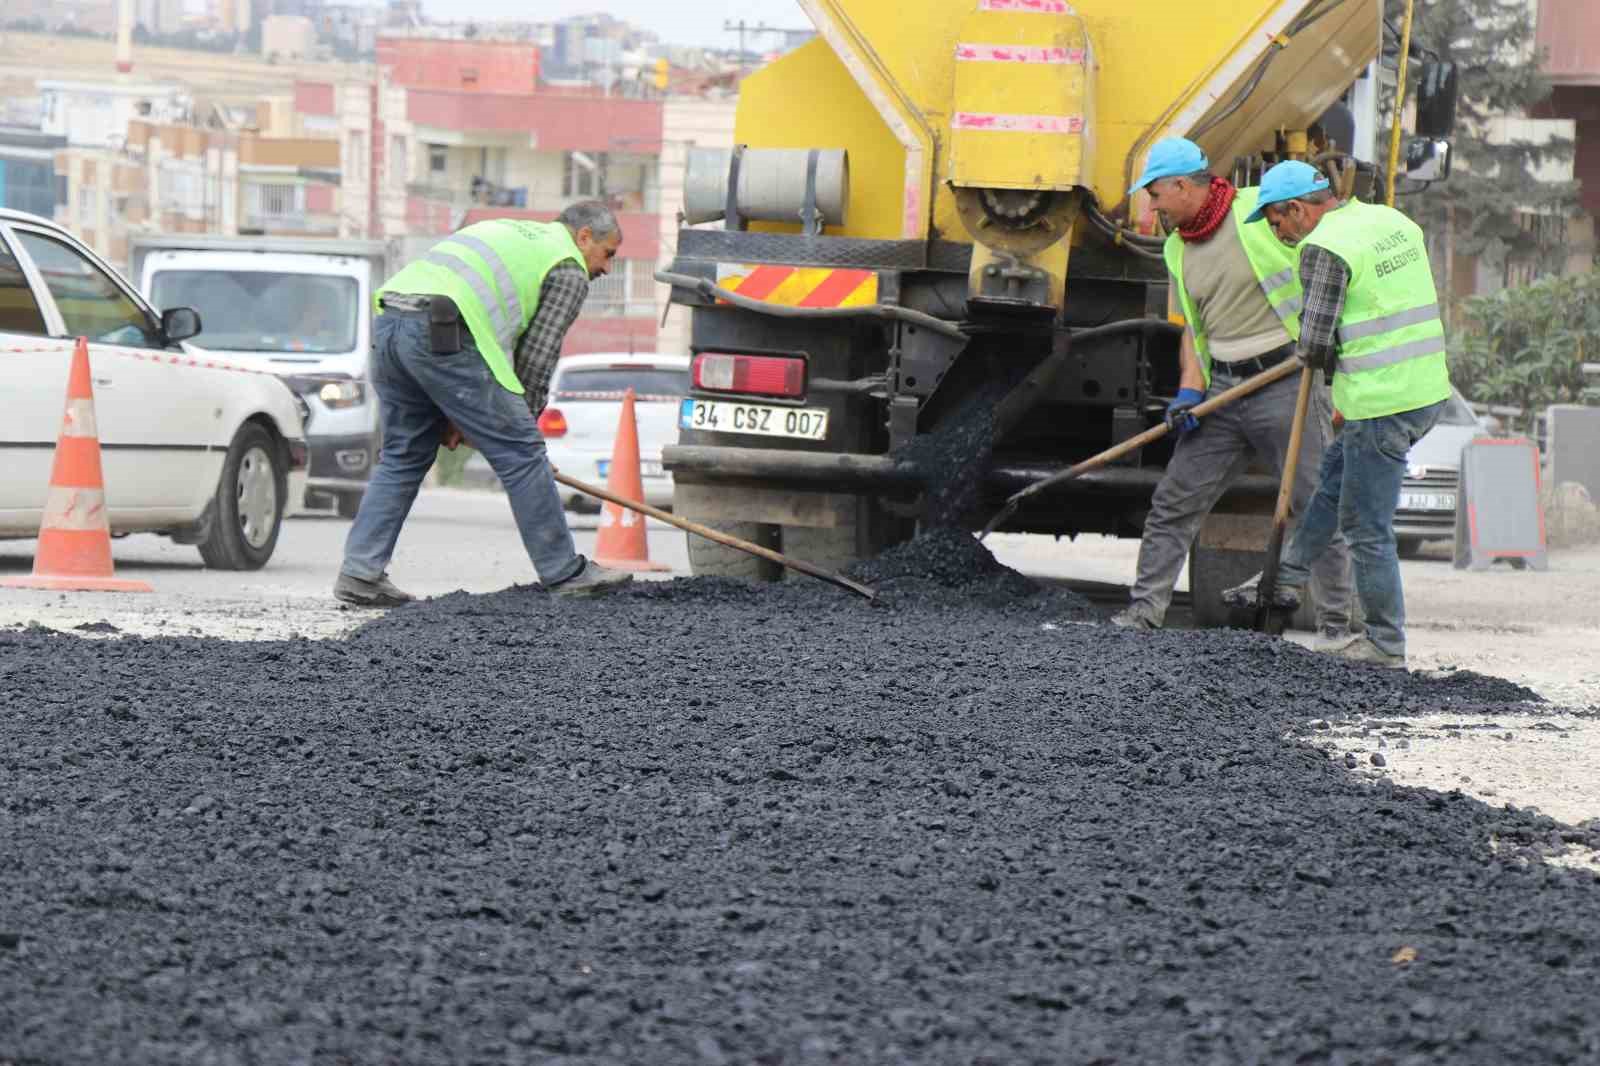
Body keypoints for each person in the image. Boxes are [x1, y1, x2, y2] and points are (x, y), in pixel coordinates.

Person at [1110, 138, 1353, 646]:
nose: (1151, 206)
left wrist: (1331, 363)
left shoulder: (1259, 211)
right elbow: (1193, 331)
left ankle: (1339, 627)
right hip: (1222, 390)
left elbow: (1332, 262)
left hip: (1286, 380)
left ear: (1182, 185)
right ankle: (1143, 613)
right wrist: (1188, 392)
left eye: (1155, 194)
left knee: (1315, 503)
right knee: (1173, 502)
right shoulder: (1177, 248)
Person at [333, 200, 633, 607]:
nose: (606, 268)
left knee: (403, 455)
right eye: (608, 254)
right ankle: (565, 572)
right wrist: (522, 436)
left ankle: (359, 574)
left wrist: (464, 419)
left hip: (390, 324)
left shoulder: (513, 231)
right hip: (442, 332)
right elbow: (537, 357)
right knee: (523, 454)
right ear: (583, 237)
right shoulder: (567, 266)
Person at [1224, 161, 1454, 668]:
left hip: (1383, 402)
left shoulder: (1325, 248)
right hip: (1425, 390)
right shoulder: (1391, 222)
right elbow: (1385, 309)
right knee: (1331, 486)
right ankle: (1284, 577)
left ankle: (1384, 643)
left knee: (1364, 524)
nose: (1278, 232)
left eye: (1276, 222)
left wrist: (1317, 361)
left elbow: (1314, 341)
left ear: (1298, 209)